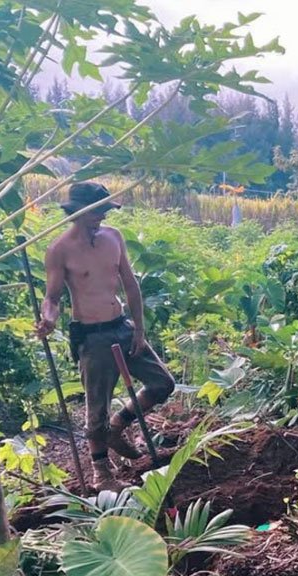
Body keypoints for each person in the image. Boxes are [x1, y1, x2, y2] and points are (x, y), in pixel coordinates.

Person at [36, 182, 175, 490]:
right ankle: (102, 473)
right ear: (78, 212)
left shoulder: (113, 237)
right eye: (97, 211)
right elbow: (52, 298)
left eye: (104, 211)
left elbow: (130, 284)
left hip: (122, 325)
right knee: (96, 409)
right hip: (92, 335)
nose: (102, 216)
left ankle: (118, 424)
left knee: (163, 383)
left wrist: (139, 329)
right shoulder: (59, 250)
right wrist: (48, 320)